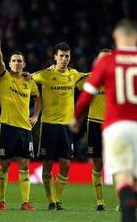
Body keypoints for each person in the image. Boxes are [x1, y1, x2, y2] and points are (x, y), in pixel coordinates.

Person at [71, 19, 137, 222]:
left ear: (116, 37)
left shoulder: (106, 63)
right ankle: (131, 209)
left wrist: (76, 117)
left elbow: (86, 94)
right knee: (135, 177)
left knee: (122, 177)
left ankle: (127, 213)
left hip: (115, 126)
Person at [33, 42, 87, 210]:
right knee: (47, 163)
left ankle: (55, 198)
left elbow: (92, 76)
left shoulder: (74, 74)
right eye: (61, 56)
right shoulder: (45, 75)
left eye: (67, 56)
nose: (64, 59)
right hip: (48, 125)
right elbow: (26, 77)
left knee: (66, 164)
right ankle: (51, 201)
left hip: (66, 127)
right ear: (55, 57)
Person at [0, 31, 41, 211]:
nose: (17, 63)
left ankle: (25, 202)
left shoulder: (30, 81)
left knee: (25, 164)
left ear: (24, 64)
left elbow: (38, 99)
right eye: (14, 60)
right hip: (8, 126)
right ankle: (1, 201)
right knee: (4, 165)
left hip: (25, 128)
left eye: (20, 61)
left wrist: (35, 116)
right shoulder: (4, 77)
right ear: (10, 63)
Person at [81, 49, 111, 211]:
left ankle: (123, 202)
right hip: (94, 123)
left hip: (113, 124)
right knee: (97, 163)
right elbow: (70, 79)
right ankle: (100, 201)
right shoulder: (90, 78)